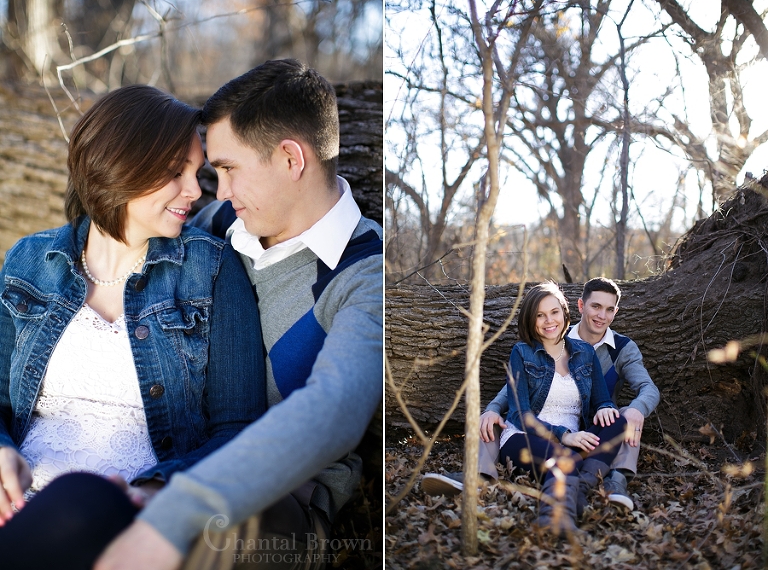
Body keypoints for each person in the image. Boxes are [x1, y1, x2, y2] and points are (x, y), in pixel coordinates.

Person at [95, 59, 383, 570]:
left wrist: (181, 506)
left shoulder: (365, 274)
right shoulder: (222, 222)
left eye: (228, 169)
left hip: (277, 503)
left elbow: (335, 409)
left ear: (291, 159)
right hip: (164, 458)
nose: (217, 189)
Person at [0, 85, 266, 569]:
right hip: (17, 508)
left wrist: (158, 486)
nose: (196, 190)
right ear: (118, 165)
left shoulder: (212, 272)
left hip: (127, 515)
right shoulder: (29, 261)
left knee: (81, 497)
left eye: (198, 172)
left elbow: (238, 428)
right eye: (175, 173)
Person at [423, 277, 659, 511]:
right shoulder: (546, 342)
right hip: (542, 428)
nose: (601, 316)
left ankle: (615, 482)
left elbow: (644, 389)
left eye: (609, 310)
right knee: (494, 420)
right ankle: (478, 476)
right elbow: (516, 391)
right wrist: (493, 408)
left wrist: (634, 408)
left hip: (590, 426)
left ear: (615, 312)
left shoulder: (618, 348)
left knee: (625, 417)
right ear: (580, 306)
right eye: (595, 306)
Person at [501, 282, 627, 532]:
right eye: (540, 315)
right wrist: (564, 436)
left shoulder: (584, 352)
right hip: (525, 437)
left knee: (618, 421)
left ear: (564, 312)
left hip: (574, 442)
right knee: (565, 458)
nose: (549, 321)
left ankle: (578, 487)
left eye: (554, 312)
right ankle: (555, 520)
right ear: (530, 319)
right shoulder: (522, 353)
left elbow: (602, 399)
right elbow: (519, 414)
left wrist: (603, 407)